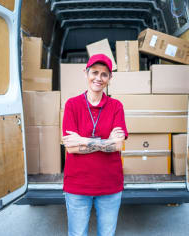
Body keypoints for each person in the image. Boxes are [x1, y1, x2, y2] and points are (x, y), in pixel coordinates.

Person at [62, 53, 128, 236]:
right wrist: (106, 142)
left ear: (110, 78)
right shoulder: (72, 105)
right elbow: (71, 147)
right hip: (78, 185)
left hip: (109, 184)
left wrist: (82, 140)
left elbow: (116, 146)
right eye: (94, 72)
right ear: (86, 73)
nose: (98, 78)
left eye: (104, 74)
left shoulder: (116, 106)